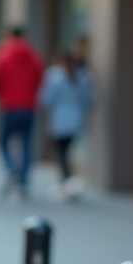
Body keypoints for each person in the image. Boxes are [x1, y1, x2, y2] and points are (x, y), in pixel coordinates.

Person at [0, 26, 44, 196]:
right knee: (26, 144)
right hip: (29, 106)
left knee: (4, 141)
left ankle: (12, 170)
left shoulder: (1, 55)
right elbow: (39, 78)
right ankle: (23, 181)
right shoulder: (34, 56)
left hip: (9, 106)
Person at [39, 50, 93, 200]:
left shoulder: (54, 76)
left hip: (60, 120)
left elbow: (46, 99)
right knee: (66, 153)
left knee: (62, 153)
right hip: (76, 120)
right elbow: (89, 99)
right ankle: (69, 182)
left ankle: (67, 182)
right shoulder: (83, 76)